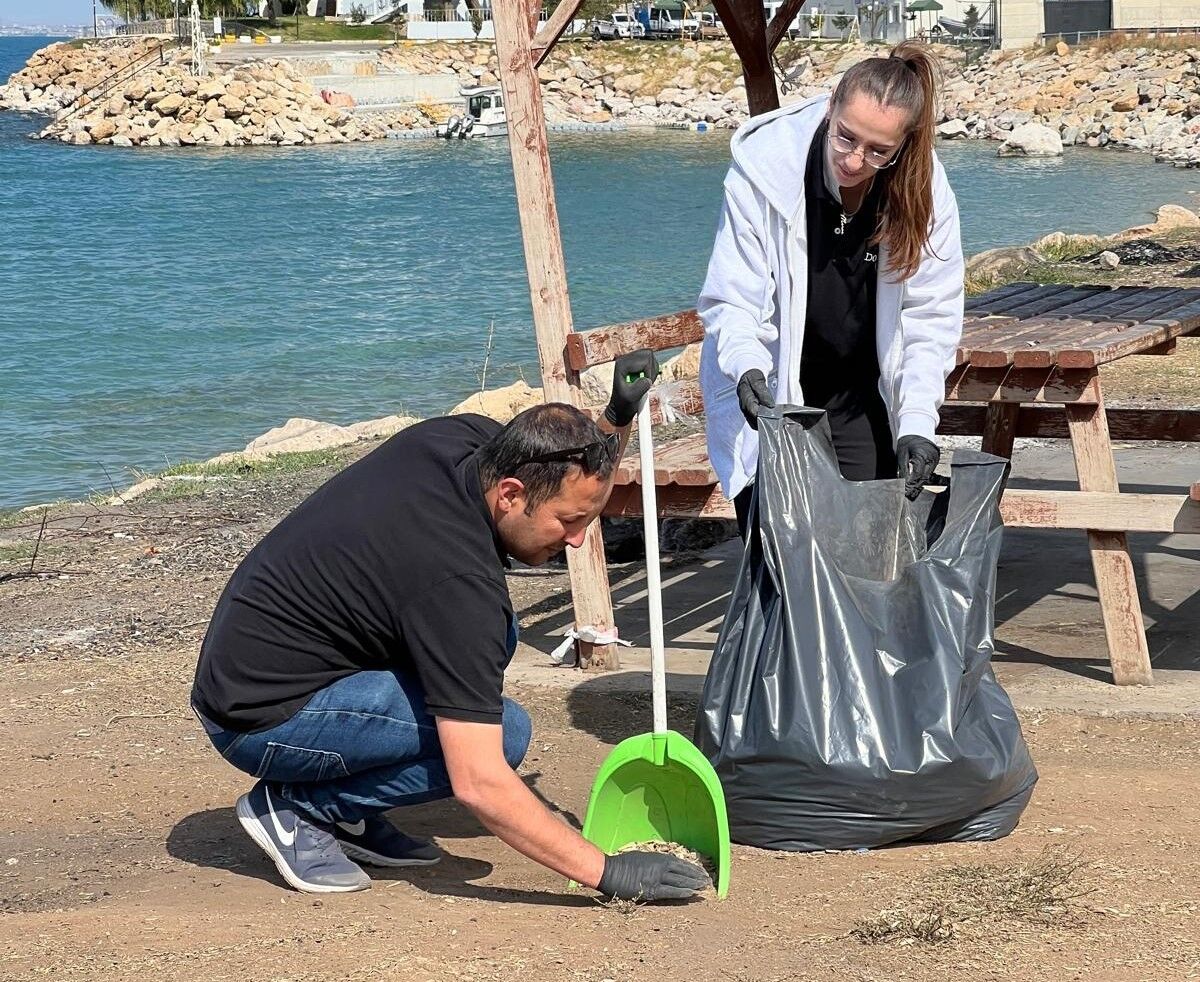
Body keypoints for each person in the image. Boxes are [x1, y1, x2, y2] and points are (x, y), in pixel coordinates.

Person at [190, 349, 709, 902]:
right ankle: (301, 808)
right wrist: (608, 872)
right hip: (260, 718)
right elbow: (479, 782)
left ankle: (346, 808)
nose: (577, 540)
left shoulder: (466, 442)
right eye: (568, 522)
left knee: (496, 642)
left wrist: (614, 420)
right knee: (504, 735)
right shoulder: (456, 585)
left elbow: (569, 474)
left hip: (254, 665)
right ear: (510, 494)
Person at [698, 42, 965, 532]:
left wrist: (916, 423)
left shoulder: (926, 191)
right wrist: (745, 364)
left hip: (859, 396)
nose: (856, 160)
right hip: (773, 394)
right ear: (830, 107)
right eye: (846, 137)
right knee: (777, 556)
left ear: (903, 145)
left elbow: (931, 318)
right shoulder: (763, 168)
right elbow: (733, 296)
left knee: (869, 547)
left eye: (879, 151)